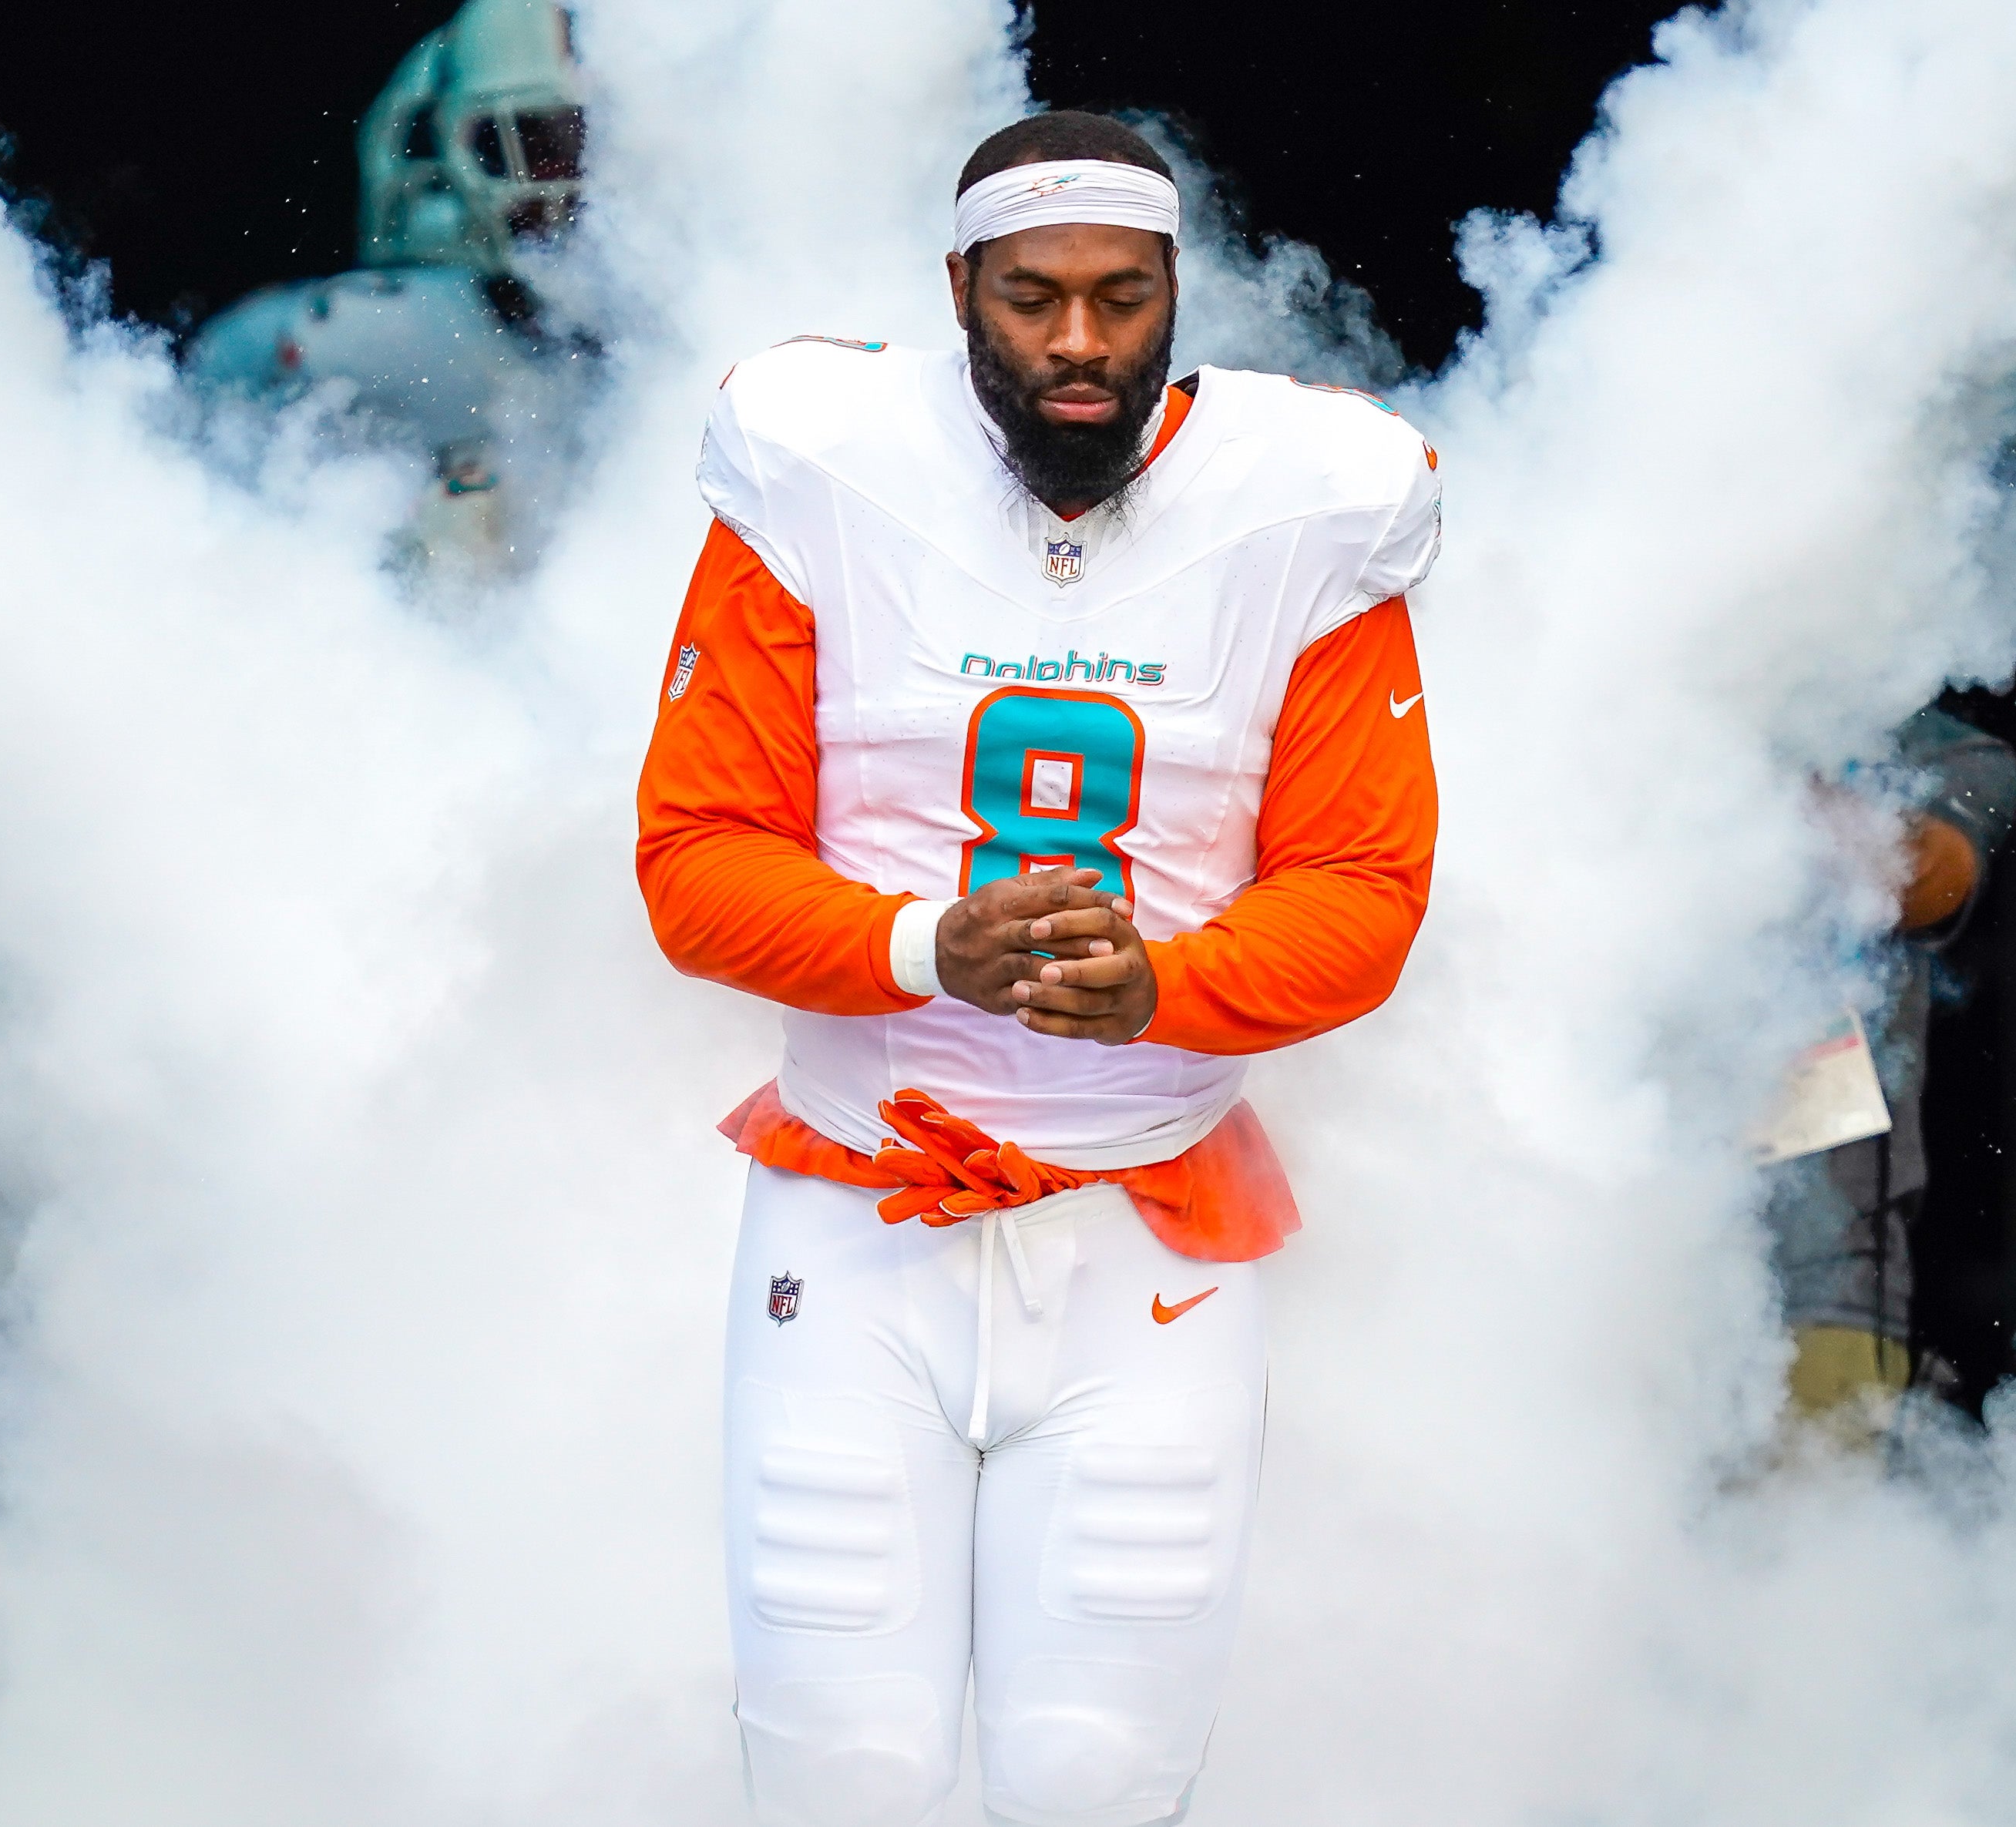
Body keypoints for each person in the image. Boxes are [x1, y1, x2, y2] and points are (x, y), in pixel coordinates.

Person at [634, 112, 1440, 1827]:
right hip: (855, 1222)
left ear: (1173, 296)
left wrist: (1169, 986)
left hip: (1141, 1225)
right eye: (1032, 299)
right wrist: (926, 943)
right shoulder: (819, 456)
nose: (1079, 344)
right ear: (959, 292)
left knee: (1097, 1783)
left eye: (1121, 299)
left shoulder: (1314, 497)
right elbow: (693, 860)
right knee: (838, 1775)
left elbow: (1364, 886)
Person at [185, 0, 594, 573]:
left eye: (577, 145)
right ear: (454, 154)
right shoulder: (363, 333)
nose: (567, 180)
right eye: (537, 144)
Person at [1767, 707, 2016, 1435]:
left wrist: (1767, 782)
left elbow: (1922, 879)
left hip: (1826, 1278)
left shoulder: (1943, 749)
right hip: (1637, 1246)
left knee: (1809, 1532)